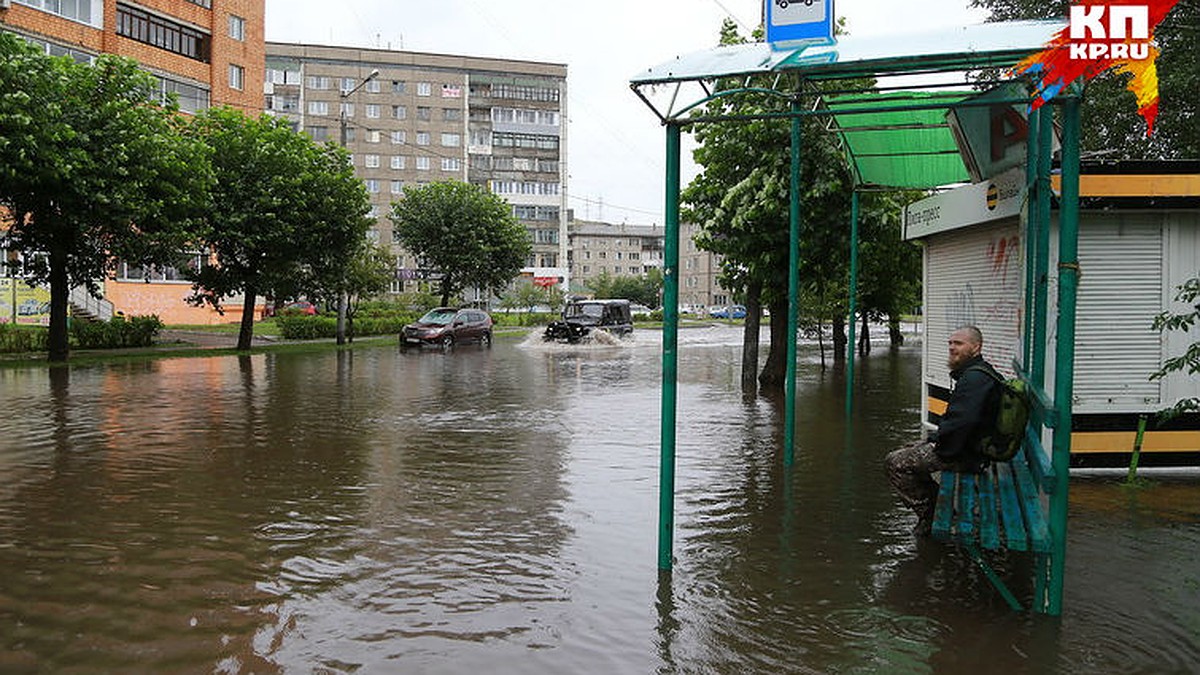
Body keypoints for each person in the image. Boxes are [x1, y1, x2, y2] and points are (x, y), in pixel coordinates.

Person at [885, 325, 1001, 536]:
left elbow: (962, 423)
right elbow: (959, 421)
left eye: (958, 343)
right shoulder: (977, 373)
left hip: (969, 455)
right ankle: (935, 506)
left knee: (895, 462)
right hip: (974, 446)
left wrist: (940, 447)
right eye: (950, 343)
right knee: (909, 448)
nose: (952, 348)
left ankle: (931, 514)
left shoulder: (974, 379)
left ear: (976, 347)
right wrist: (933, 439)